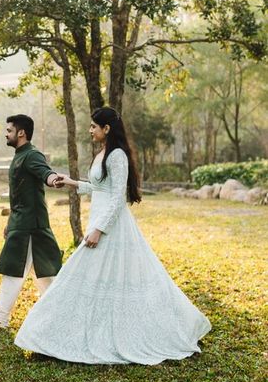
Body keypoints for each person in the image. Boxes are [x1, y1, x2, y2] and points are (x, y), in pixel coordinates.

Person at [14, 107, 211, 364]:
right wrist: (71, 182)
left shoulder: (117, 156)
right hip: (99, 221)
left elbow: (118, 197)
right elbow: (98, 189)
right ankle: (53, 338)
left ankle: (52, 337)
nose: (90, 130)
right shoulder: (103, 153)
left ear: (107, 129)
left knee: (78, 276)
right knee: (86, 279)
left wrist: (99, 229)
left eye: (94, 126)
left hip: (110, 227)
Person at [0, 114, 62, 329]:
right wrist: (10, 221)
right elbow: (19, 195)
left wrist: (53, 179)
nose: (6, 133)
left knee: (19, 272)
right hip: (21, 223)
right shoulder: (20, 155)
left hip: (30, 226)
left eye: (9, 130)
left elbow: (45, 172)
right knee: (43, 275)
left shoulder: (31, 155)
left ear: (21, 133)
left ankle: (1, 319)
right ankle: (59, 315)